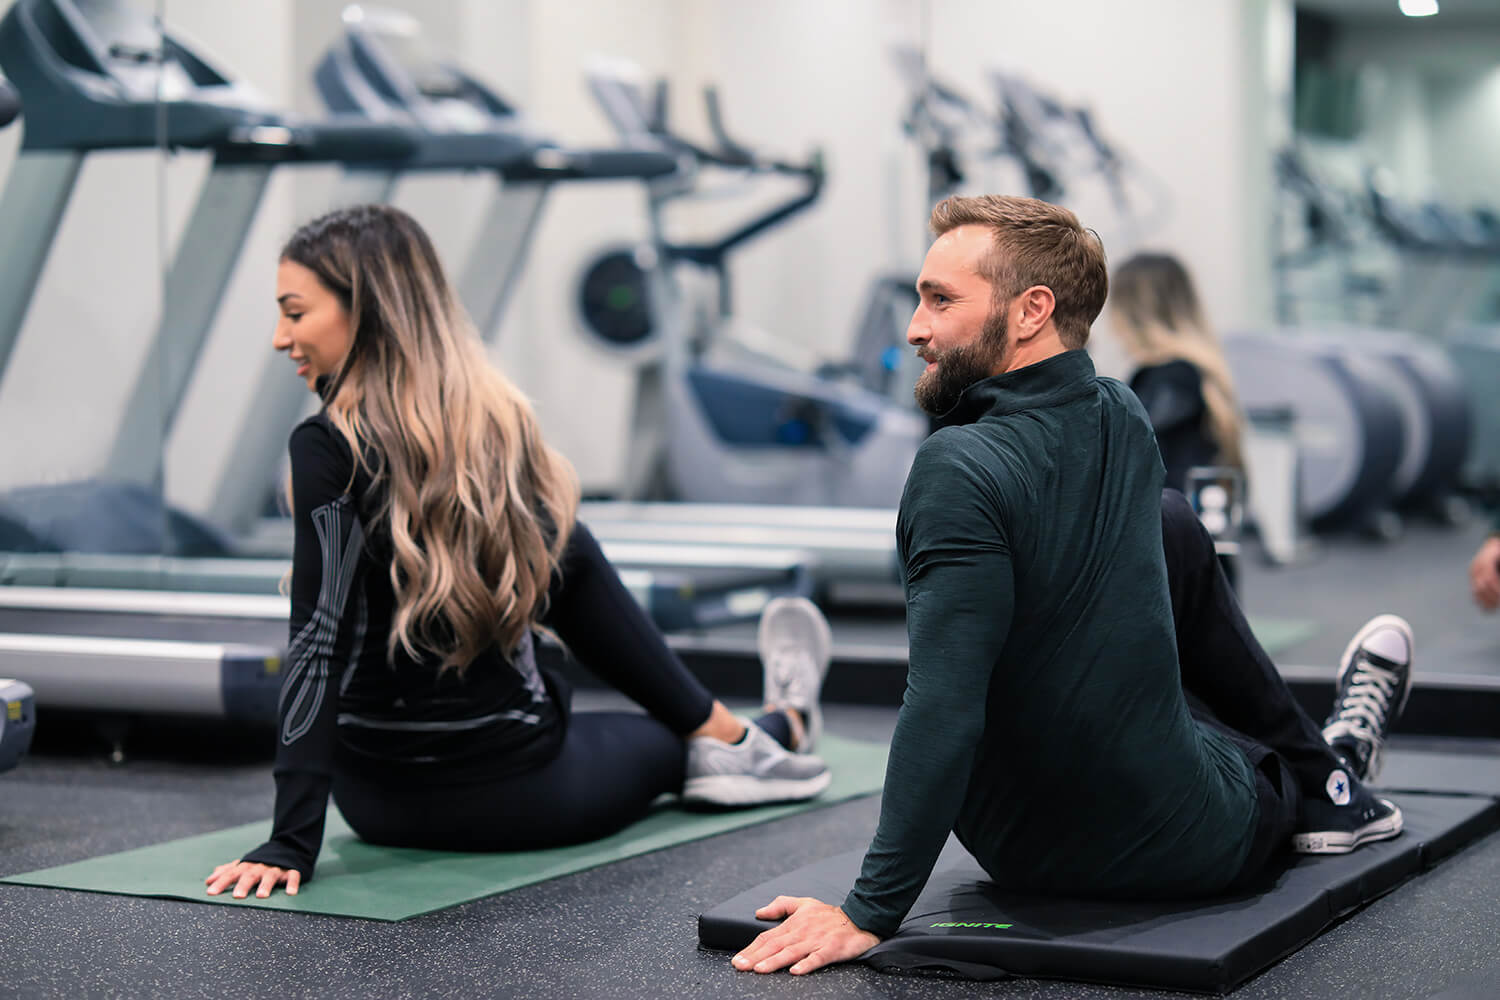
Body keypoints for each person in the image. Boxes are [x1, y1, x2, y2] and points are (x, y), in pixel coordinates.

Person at [730, 195, 1414, 976]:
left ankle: (1330, 767)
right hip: (1184, 844)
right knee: (1179, 543)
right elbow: (952, 705)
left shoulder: (961, 464)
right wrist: (871, 909)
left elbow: (947, 707)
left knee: (1167, 530)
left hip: (1023, 849)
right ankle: (1331, 768)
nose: (915, 328)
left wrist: (868, 910)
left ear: (1032, 311)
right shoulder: (1120, 415)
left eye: (940, 300)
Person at [205, 204, 832, 902]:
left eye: (295, 313)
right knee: (585, 580)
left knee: (562, 545)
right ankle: (776, 725)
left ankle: (750, 732)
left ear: (370, 312)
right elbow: (318, 640)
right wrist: (288, 841)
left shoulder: (324, 448)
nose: (279, 337)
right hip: (524, 797)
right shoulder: (492, 429)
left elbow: (317, 640)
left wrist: (295, 837)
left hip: (378, 804)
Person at [1108, 252, 1246, 497]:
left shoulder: (1168, 379)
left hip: (1166, 526)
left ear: (1129, 312)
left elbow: (1129, 455)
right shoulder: (1196, 373)